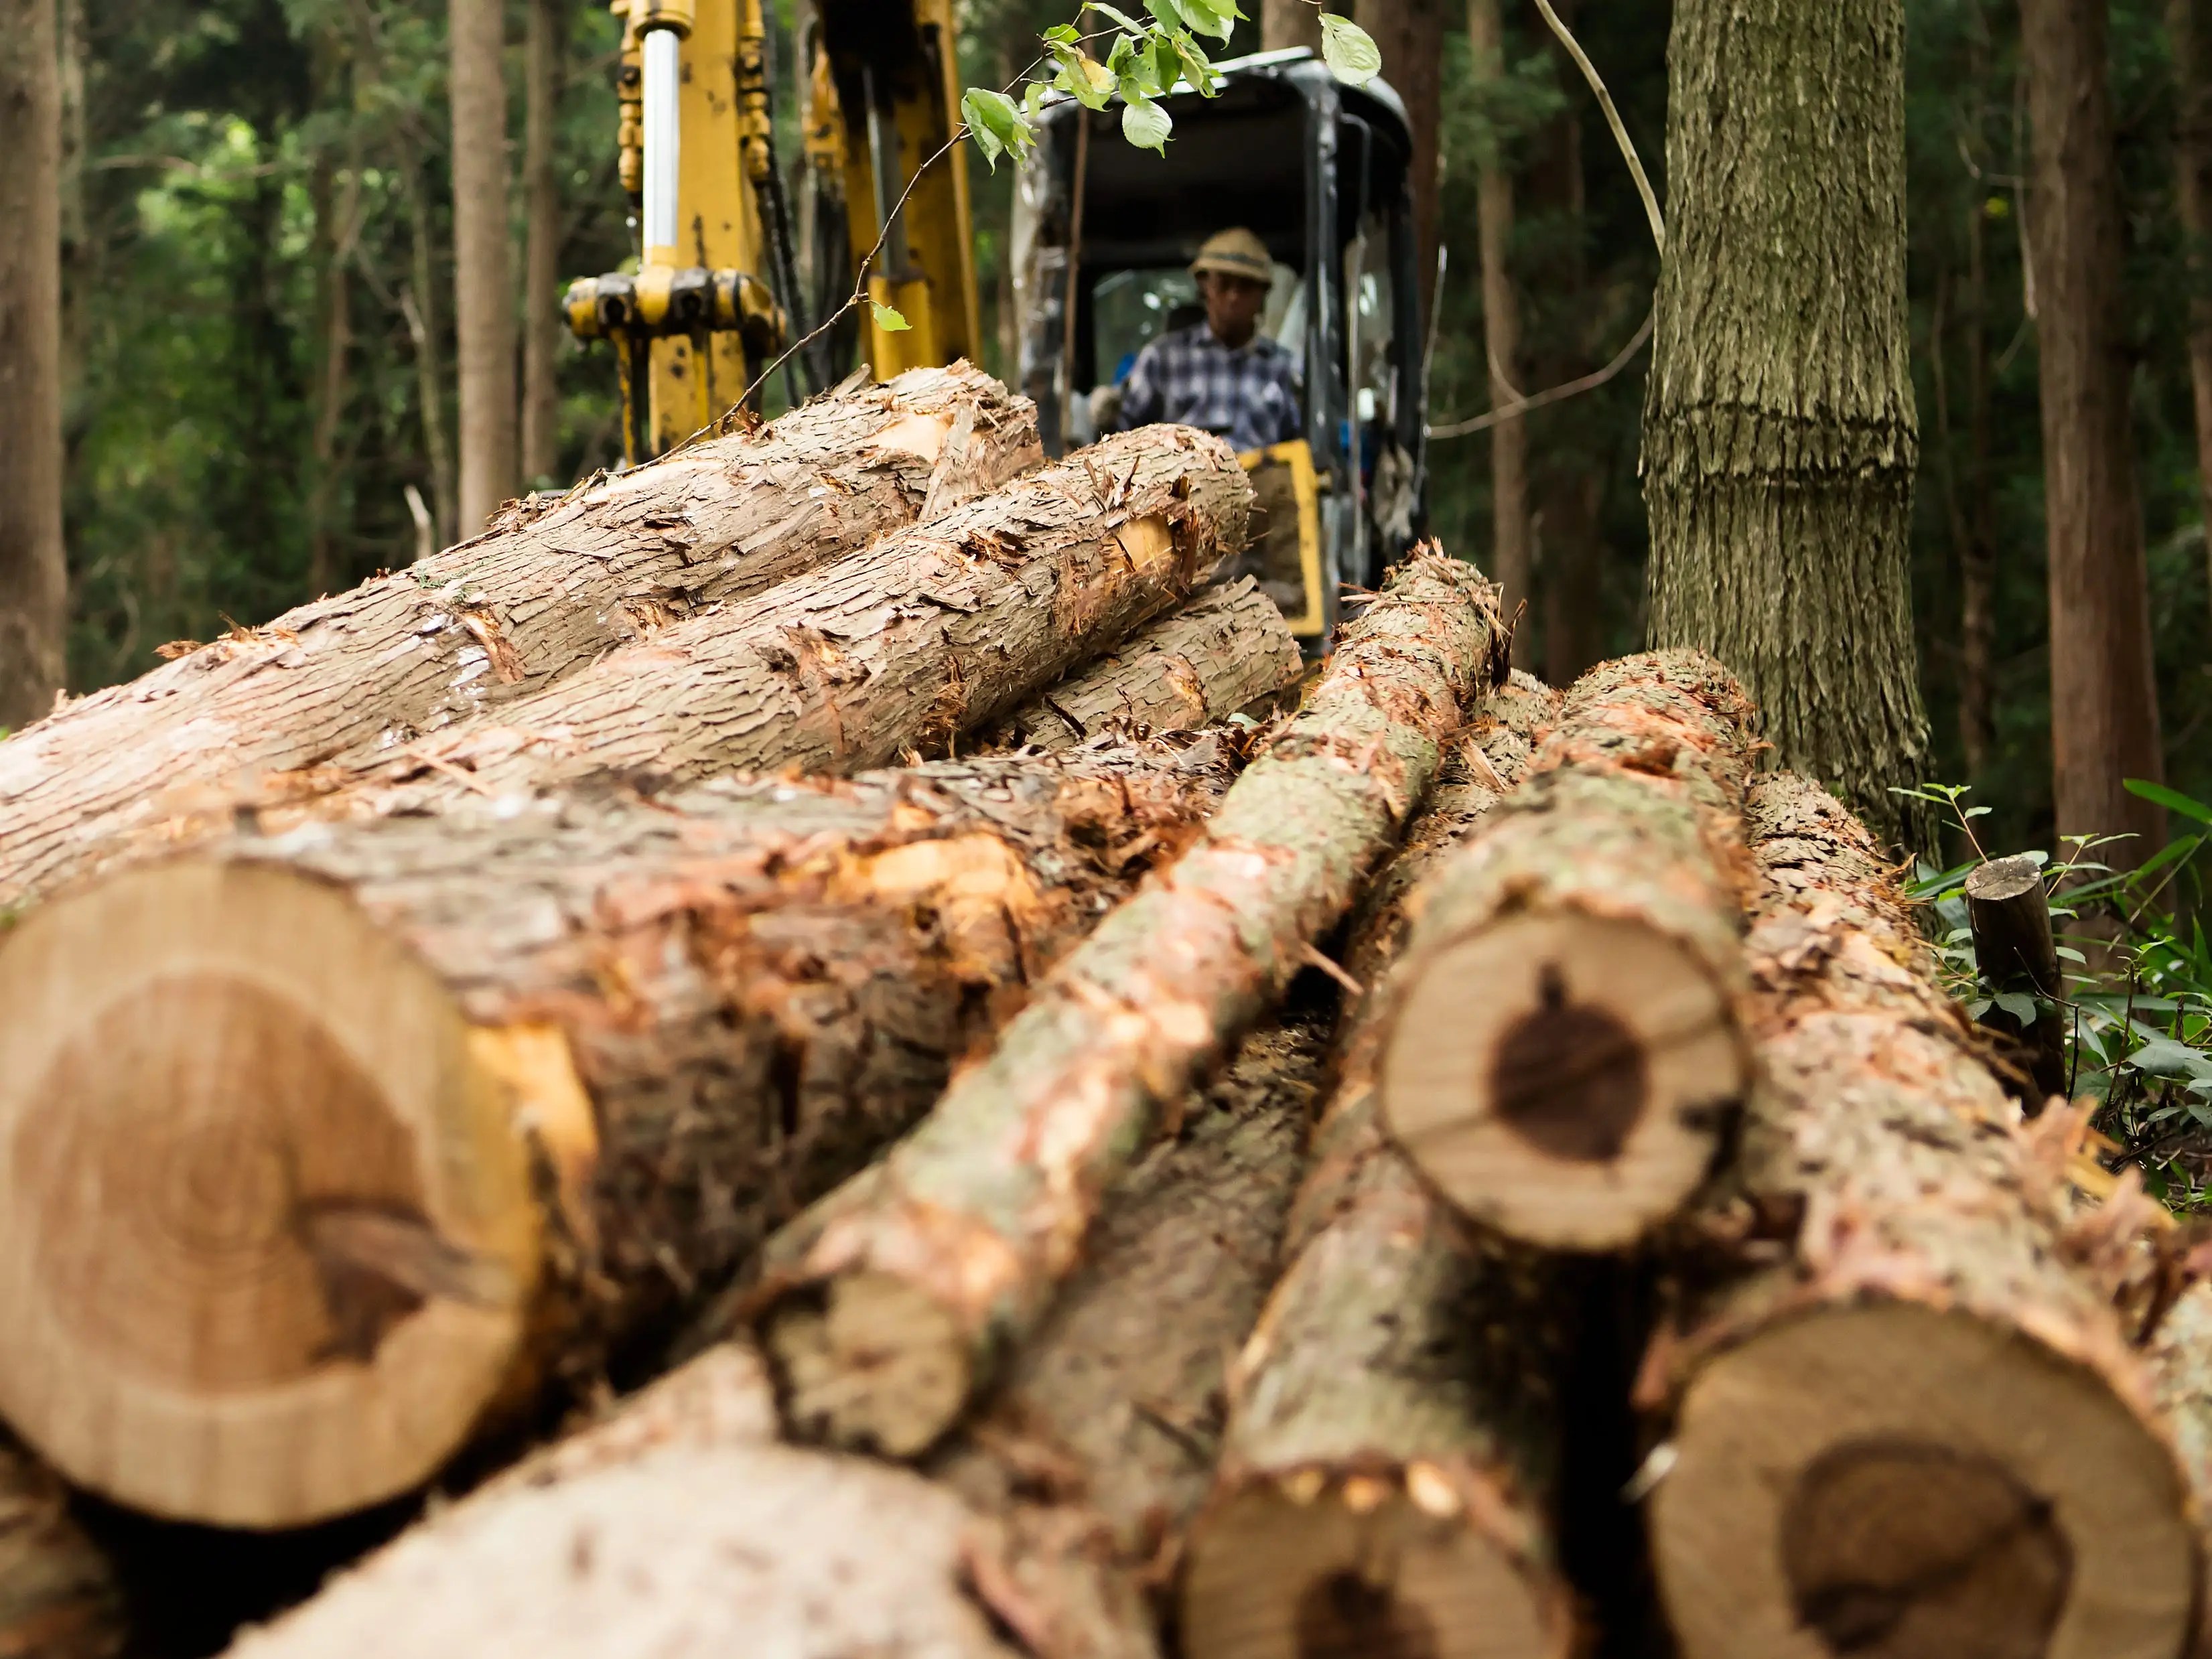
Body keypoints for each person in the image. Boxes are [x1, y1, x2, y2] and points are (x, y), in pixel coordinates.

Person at [1109, 227, 1302, 454]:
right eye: (1224, 284)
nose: (1233, 297)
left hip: (1260, 483)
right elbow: (1121, 439)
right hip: (1180, 483)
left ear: (1263, 294)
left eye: (1246, 286)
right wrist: (1108, 413)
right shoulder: (1163, 358)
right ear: (1204, 286)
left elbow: (1303, 448)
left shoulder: (1285, 367)